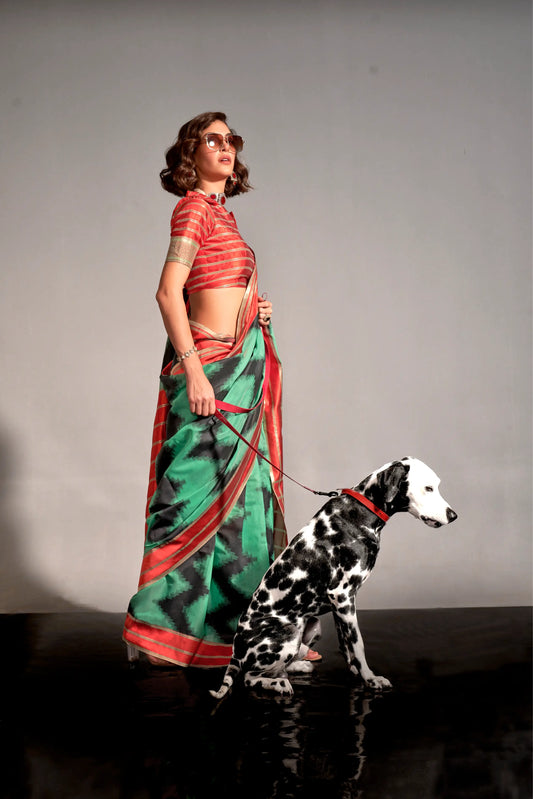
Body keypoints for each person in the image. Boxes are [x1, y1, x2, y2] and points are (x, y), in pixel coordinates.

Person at [123, 111, 291, 668]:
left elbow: (213, 285)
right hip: (210, 372)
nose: (225, 147)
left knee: (242, 508)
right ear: (189, 154)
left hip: (238, 366)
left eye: (231, 139)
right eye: (212, 139)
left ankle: (239, 634)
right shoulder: (193, 207)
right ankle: (160, 632)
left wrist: (253, 309)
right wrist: (194, 370)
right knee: (190, 499)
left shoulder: (225, 217)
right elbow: (168, 292)